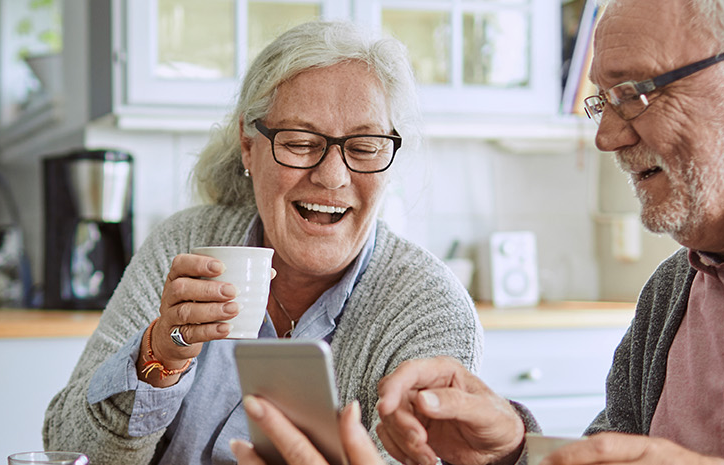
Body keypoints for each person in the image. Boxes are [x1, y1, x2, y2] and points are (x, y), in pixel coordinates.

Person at [231, 0, 724, 464]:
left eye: (637, 94)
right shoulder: (670, 298)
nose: (607, 136)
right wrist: (514, 447)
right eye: (602, 102)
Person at [42, 20, 485, 464]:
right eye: (300, 142)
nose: (331, 177)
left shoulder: (429, 309)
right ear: (249, 146)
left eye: (365, 147)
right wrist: (158, 357)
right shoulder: (186, 243)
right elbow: (68, 449)